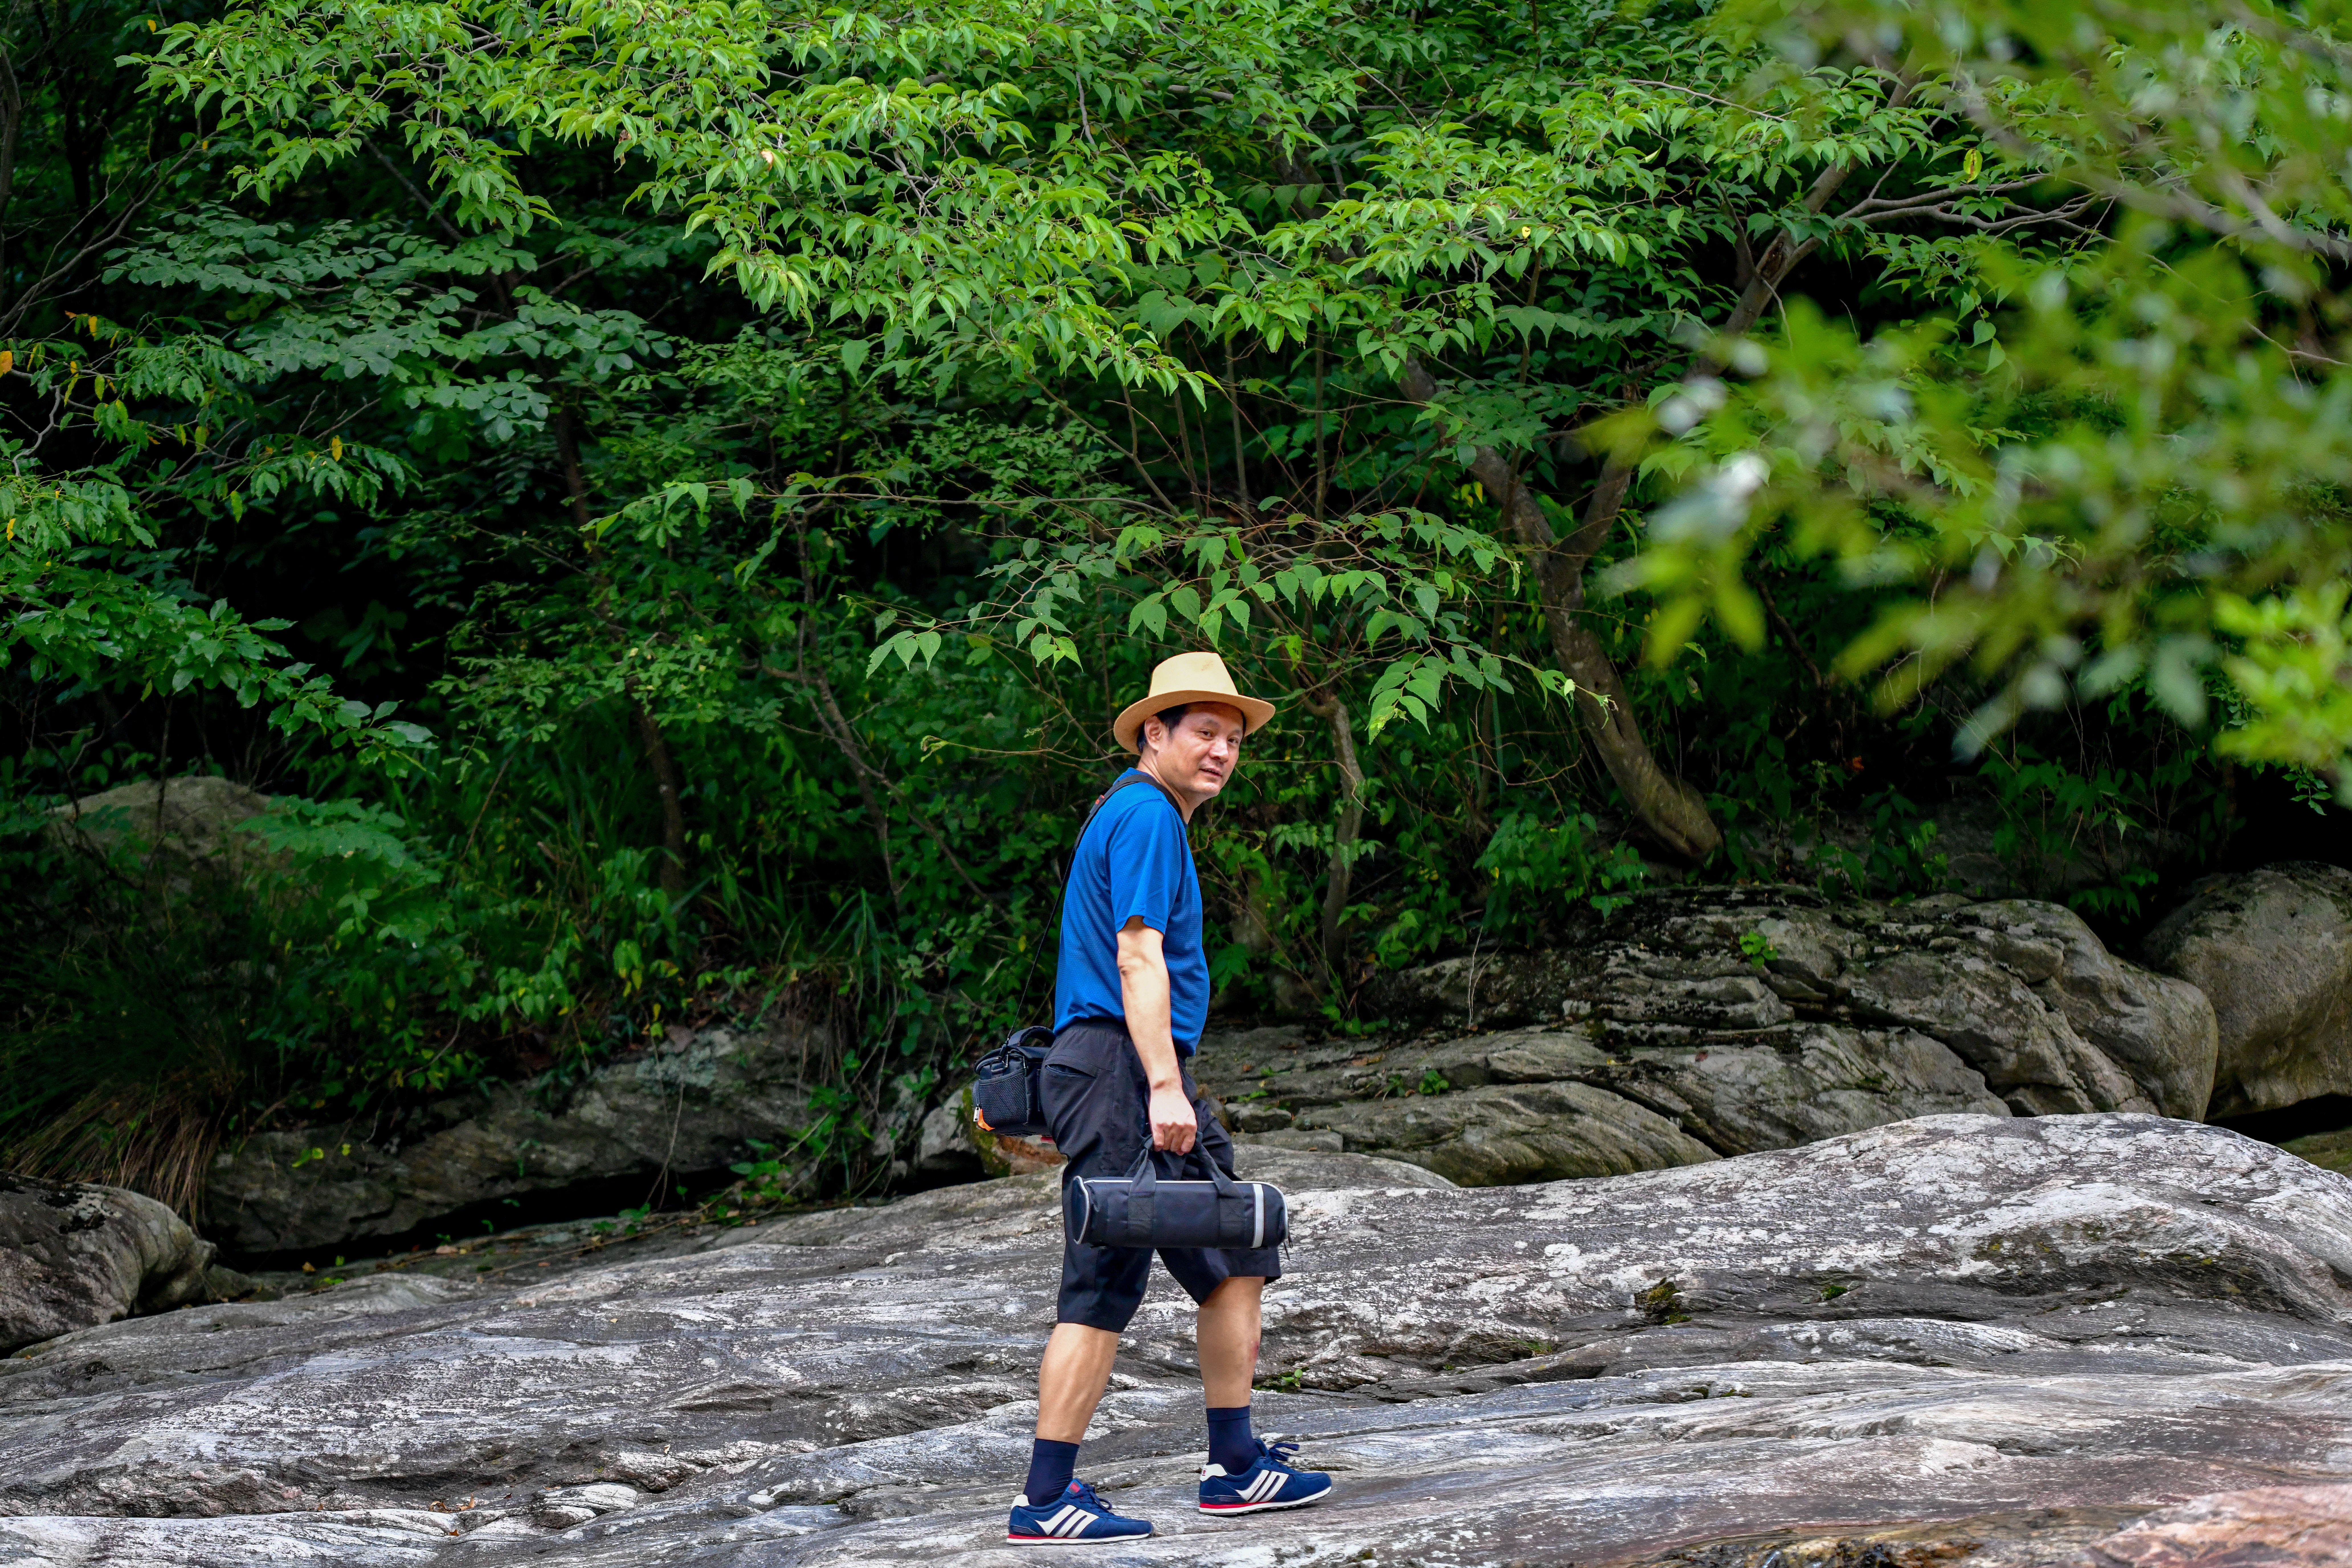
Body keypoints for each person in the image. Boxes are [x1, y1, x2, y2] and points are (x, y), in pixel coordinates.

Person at [1006, 651, 1334, 1545]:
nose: (1222, 752)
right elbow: (1137, 955)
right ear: (1155, 735)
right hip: (1122, 1065)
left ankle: (1236, 1468)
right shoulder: (1148, 814)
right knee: (1105, 1278)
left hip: (1122, 1064)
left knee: (1235, 1249)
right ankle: (1045, 1501)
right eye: (1204, 734)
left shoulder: (1137, 812)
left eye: (1233, 740)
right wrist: (1160, 1085)